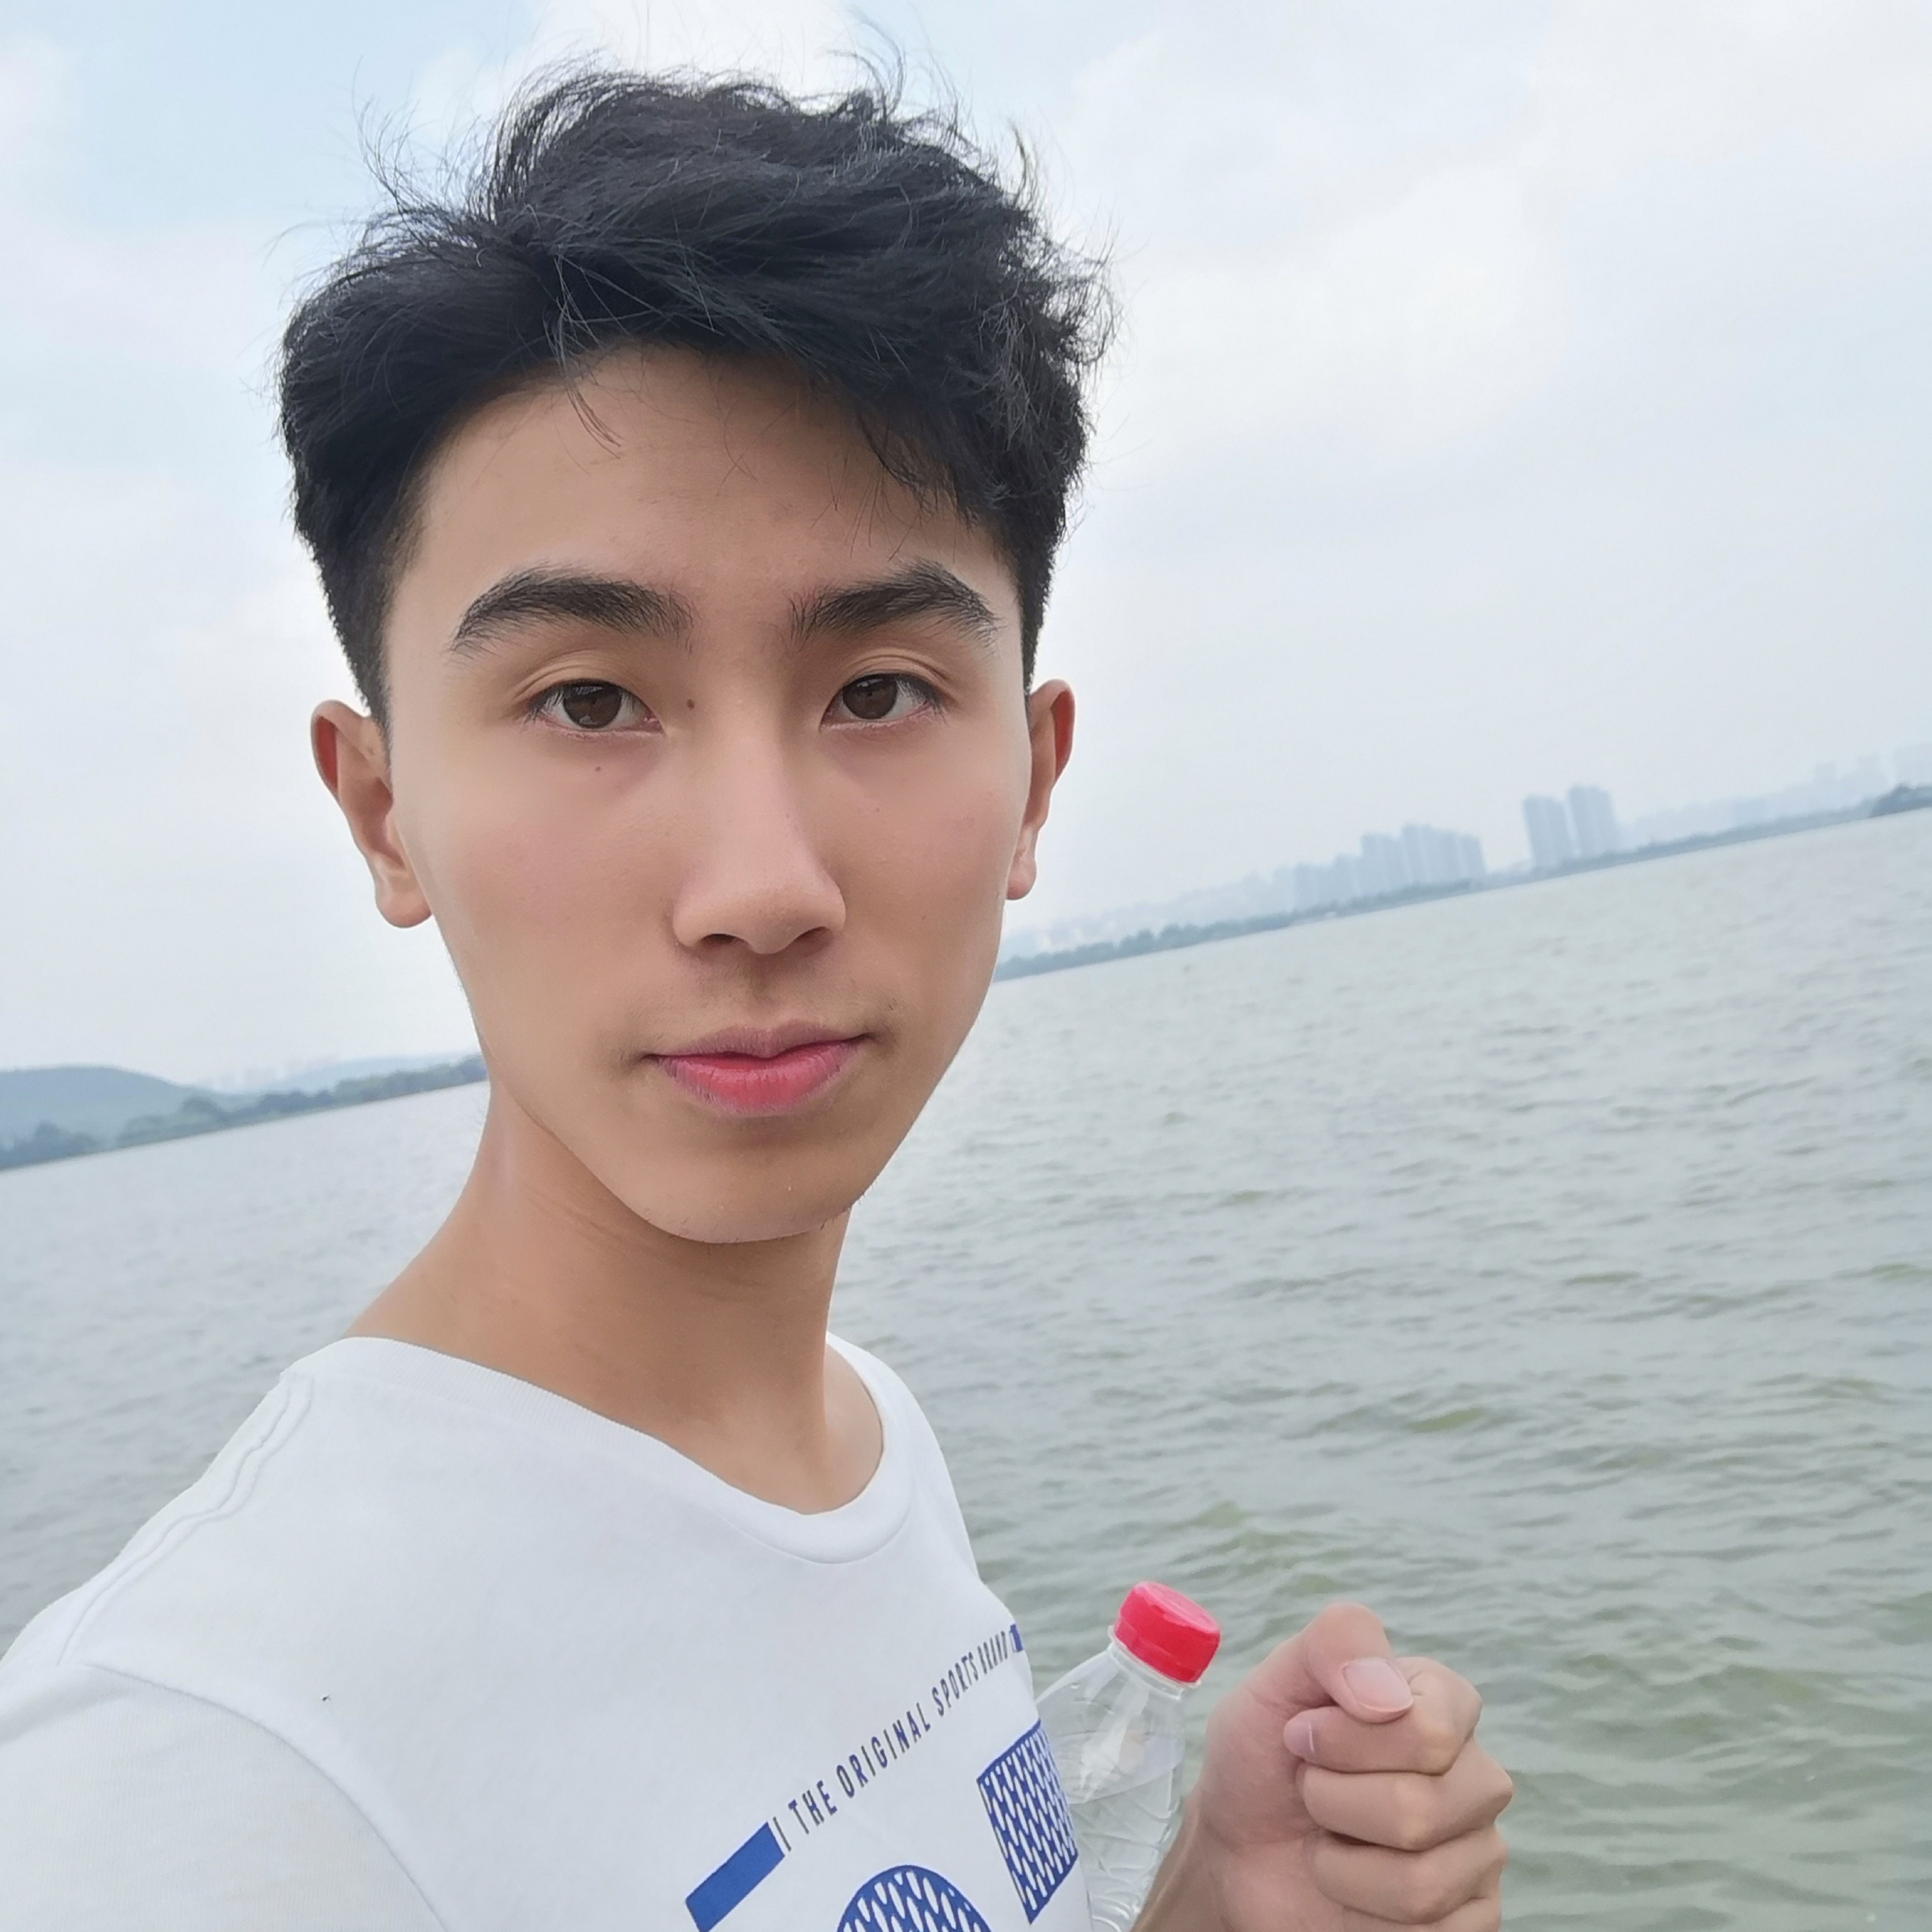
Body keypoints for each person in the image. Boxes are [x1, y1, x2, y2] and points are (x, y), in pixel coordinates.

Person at [0, 68, 1511, 1931]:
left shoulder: (863, 1439)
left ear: (1033, 780)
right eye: (587, 699)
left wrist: (1209, 1899)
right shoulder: (190, 1770)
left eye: (878, 690)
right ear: (383, 811)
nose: (761, 885)